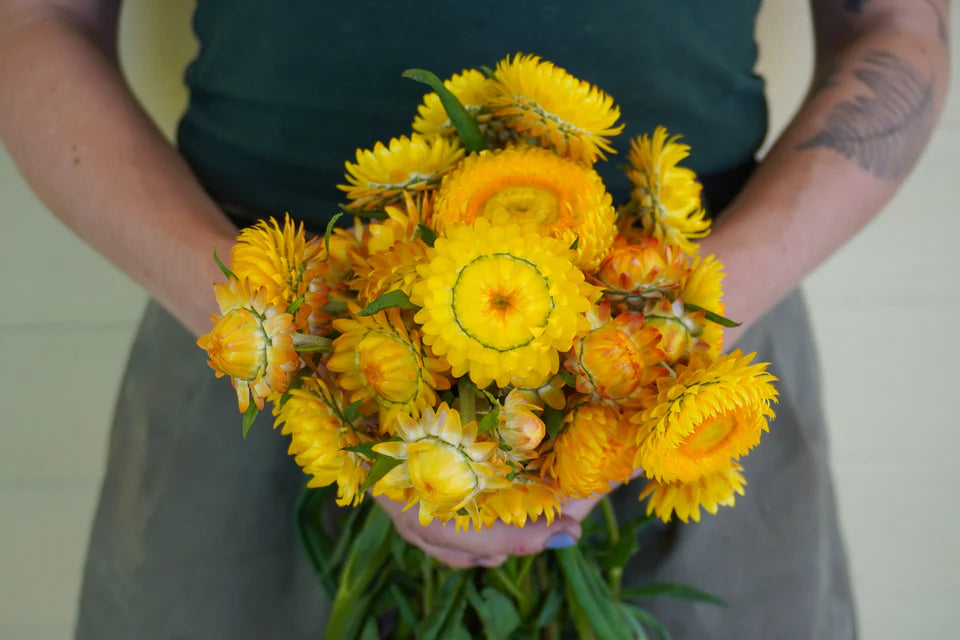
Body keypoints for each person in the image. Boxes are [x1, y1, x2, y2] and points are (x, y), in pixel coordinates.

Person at [0, 0, 949, 638]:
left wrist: (679, 325)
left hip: (690, 364)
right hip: (251, 354)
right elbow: (38, 22)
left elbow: (898, 28)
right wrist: (282, 341)